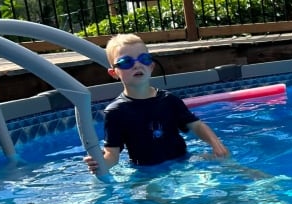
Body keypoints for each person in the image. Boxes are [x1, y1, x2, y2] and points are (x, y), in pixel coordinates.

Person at [84, 33, 230, 174]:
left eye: (144, 59)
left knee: (228, 165)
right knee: (148, 195)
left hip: (183, 162)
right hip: (147, 172)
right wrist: (99, 164)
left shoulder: (169, 100)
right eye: (126, 62)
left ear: (151, 67)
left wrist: (215, 144)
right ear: (114, 73)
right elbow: (112, 155)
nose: (137, 65)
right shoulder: (116, 112)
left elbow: (196, 125)